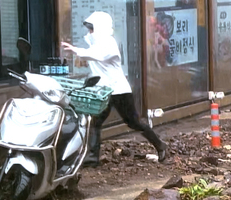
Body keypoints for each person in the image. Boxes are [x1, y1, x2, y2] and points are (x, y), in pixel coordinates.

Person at [62, 11, 166, 164]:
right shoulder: (96, 45)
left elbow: (99, 55)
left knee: (133, 122)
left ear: (99, 28)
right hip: (104, 91)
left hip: (119, 91)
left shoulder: (109, 43)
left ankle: (160, 145)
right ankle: (92, 157)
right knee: (95, 122)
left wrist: (76, 50)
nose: (89, 33)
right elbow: (93, 57)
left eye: (92, 29)